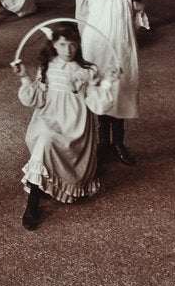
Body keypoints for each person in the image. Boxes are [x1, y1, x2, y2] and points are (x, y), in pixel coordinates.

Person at [12, 22, 116, 230]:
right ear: (54, 45)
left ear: (78, 46)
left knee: (50, 144)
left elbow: (98, 101)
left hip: (75, 121)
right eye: (62, 44)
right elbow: (37, 98)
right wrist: (24, 77)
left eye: (72, 45)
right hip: (49, 116)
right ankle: (33, 203)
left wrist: (109, 81)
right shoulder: (48, 66)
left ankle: (45, 187)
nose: (67, 50)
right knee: (44, 140)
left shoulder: (88, 70)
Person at [67, 0, 144, 167]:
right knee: (100, 91)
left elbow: (133, 21)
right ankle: (102, 142)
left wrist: (138, 7)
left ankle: (118, 142)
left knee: (120, 92)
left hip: (121, 51)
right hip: (98, 50)